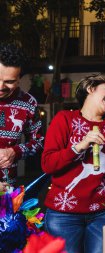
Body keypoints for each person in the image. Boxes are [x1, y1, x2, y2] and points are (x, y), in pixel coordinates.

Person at [41, 73, 105, 253]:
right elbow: (48, 164)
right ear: (90, 89)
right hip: (63, 213)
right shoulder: (64, 119)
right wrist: (80, 146)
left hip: (103, 211)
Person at [0, 43, 44, 186]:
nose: (1, 86)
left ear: (19, 79)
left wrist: (15, 152)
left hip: (6, 189)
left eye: (9, 82)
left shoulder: (29, 103)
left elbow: (39, 142)